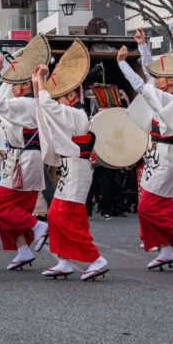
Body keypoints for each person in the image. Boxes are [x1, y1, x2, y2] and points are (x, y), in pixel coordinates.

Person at [116, 28, 173, 270]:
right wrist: (142, 45)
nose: (155, 80)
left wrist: (123, 64)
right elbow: (148, 75)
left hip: (167, 156)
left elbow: (141, 84)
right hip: (156, 155)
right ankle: (167, 249)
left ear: (171, 80)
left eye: (160, 78)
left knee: (146, 207)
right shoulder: (160, 95)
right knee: (164, 207)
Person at [32, 58, 108, 281]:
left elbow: (47, 107)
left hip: (78, 169)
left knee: (69, 216)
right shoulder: (67, 111)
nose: (57, 100)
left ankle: (96, 259)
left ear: (73, 95)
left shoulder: (76, 113)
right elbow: (43, 110)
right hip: (70, 168)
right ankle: (63, 260)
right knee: (55, 215)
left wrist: (41, 80)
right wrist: (37, 84)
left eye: (61, 96)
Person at [0, 39, 48, 271]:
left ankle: (38, 226)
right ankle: (23, 249)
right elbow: (10, 83)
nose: (11, 87)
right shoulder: (34, 102)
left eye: (16, 84)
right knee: (16, 209)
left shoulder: (23, 104)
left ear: (27, 85)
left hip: (24, 159)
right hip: (27, 158)